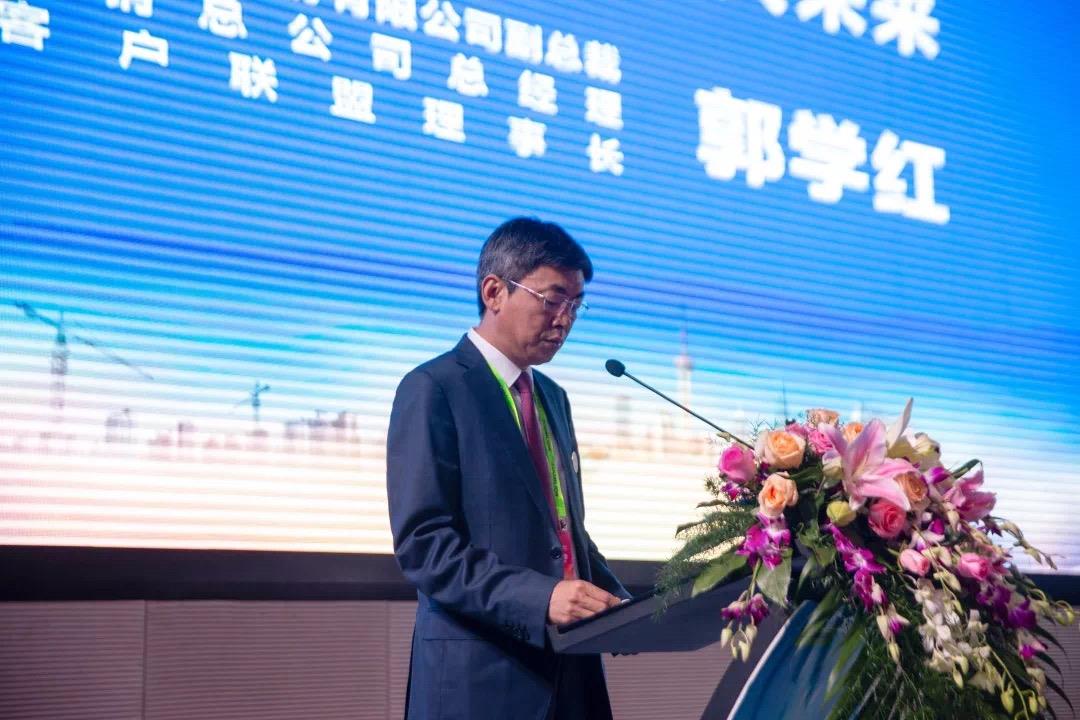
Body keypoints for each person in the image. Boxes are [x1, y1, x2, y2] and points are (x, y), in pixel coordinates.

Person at [387, 217, 631, 720]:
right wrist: (541, 599)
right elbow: (425, 546)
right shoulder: (434, 388)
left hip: (572, 678)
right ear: (494, 292)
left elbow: (565, 533)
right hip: (481, 680)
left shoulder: (553, 398)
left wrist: (624, 608)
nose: (565, 320)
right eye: (553, 299)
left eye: (576, 305)